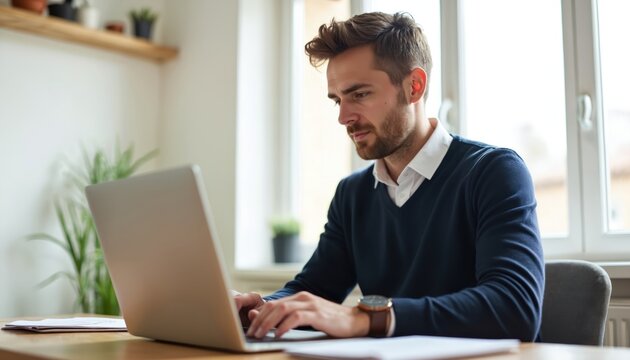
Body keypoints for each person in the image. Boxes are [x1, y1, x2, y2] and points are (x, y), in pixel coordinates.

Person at [235, 11, 544, 341]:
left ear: (414, 86)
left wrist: (370, 318)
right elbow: (314, 291)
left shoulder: (494, 172)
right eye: (337, 100)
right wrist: (259, 309)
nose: (343, 116)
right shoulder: (353, 194)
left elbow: (515, 308)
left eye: (360, 94)